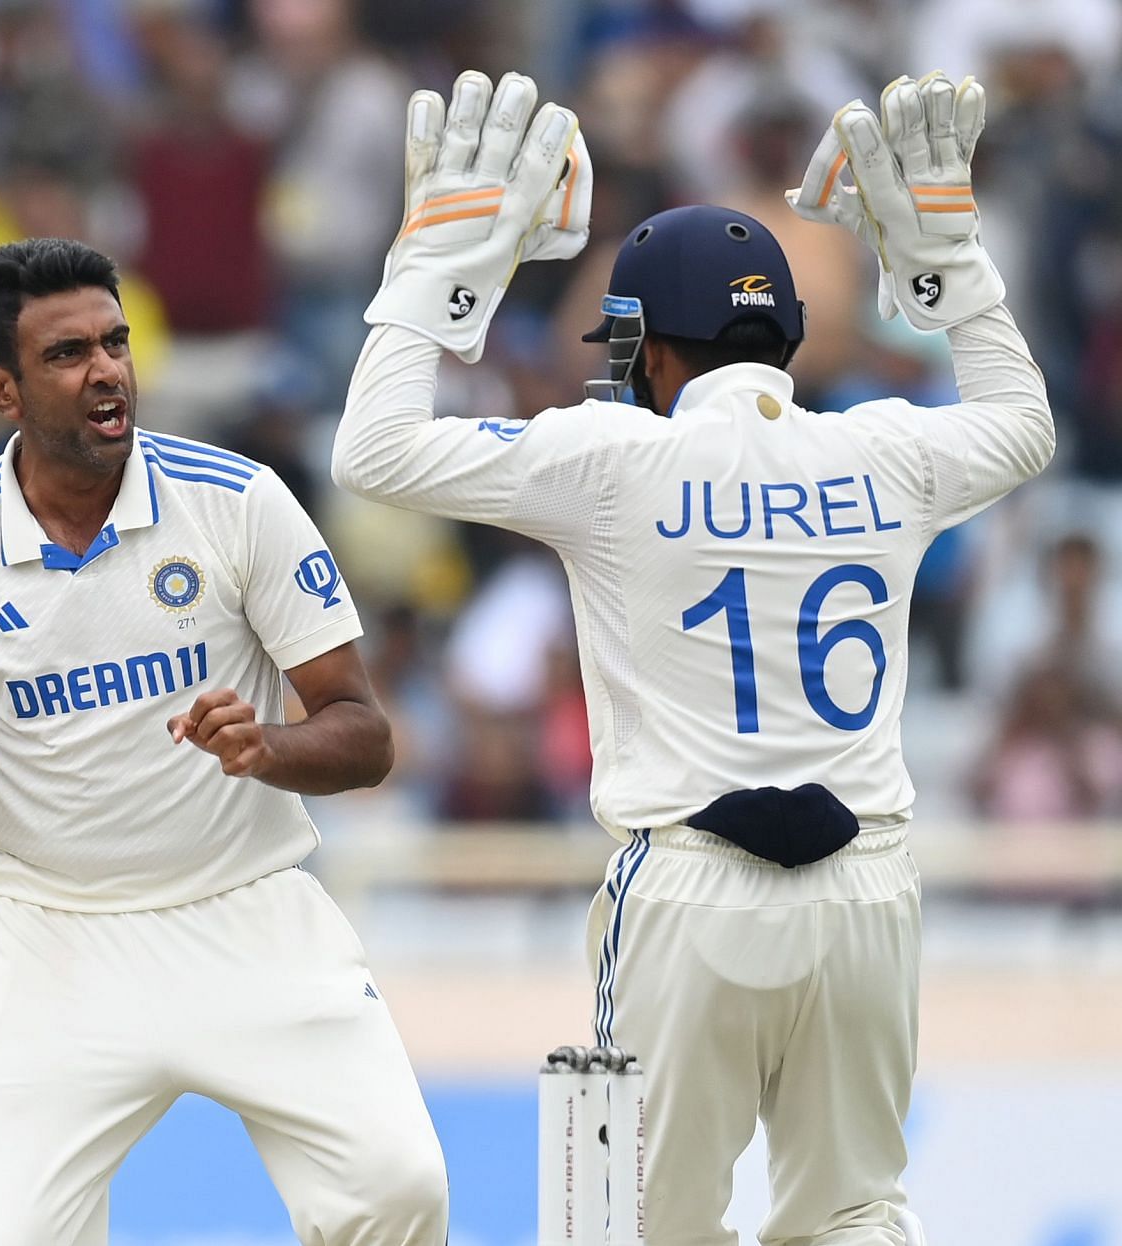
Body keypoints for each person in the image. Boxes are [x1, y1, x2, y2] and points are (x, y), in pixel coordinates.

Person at [332, 71, 1051, 1245]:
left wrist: (436, 273)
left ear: (653, 347)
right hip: (868, 885)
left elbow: (374, 448)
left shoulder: (612, 458)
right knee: (858, 1211)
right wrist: (952, 268)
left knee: (632, 1225)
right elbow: (1026, 424)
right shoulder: (888, 455)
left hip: (689, 888)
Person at [0, 237, 448, 1246]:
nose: (109, 370)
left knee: (400, 1187)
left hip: (246, 906)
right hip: (49, 938)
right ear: (3, 389)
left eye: (116, 343)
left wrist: (268, 748)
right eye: (69, 354)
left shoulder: (238, 500)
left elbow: (365, 734)